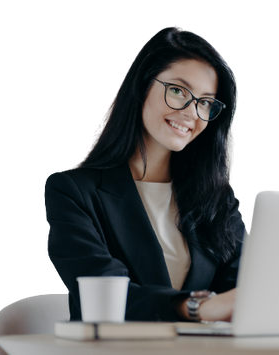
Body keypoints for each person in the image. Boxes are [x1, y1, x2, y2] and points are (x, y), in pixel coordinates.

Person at [42, 24, 245, 323]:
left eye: (205, 102)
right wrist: (195, 307)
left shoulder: (220, 200)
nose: (192, 112)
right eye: (178, 91)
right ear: (142, 86)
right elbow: (102, 296)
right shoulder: (72, 192)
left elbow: (242, 290)